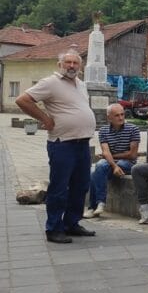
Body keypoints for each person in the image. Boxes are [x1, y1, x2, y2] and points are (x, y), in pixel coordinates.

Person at [15, 50, 97, 244]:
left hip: (82, 143)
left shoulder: (81, 84)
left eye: (75, 63)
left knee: (81, 185)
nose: (71, 66)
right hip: (62, 143)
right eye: (67, 62)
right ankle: (53, 228)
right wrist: (44, 118)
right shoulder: (50, 82)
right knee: (59, 188)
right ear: (60, 65)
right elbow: (22, 100)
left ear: (80, 66)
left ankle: (71, 223)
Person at [84, 103, 140, 218]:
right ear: (109, 117)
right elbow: (105, 151)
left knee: (99, 169)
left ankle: (94, 206)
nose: (120, 118)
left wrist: (111, 157)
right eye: (116, 115)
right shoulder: (103, 130)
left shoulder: (133, 129)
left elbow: (132, 155)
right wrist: (114, 166)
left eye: (122, 114)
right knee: (96, 171)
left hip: (127, 163)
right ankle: (99, 204)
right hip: (112, 164)